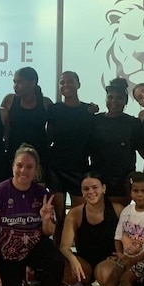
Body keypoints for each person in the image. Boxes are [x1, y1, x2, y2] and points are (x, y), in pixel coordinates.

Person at [0, 144, 66, 286]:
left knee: (56, 260)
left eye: (29, 167)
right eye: (19, 165)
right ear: (13, 166)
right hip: (7, 252)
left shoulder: (42, 194)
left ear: (36, 170)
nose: (23, 170)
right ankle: (20, 281)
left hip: (33, 245)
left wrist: (45, 219)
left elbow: (49, 233)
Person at [59, 172, 123, 286]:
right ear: (81, 192)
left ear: (104, 188)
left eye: (95, 187)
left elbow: (128, 238)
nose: (91, 192)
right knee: (63, 264)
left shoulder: (118, 210)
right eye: (86, 189)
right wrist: (73, 259)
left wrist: (121, 254)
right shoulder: (75, 213)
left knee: (106, 273)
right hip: (85, 263)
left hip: (107, 261)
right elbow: (64, 246)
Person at [47, 71, 95, 242]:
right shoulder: (54, 109)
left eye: (70, 81)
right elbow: (48, 136)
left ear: (78, 84)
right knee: (59, 215)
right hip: (56, 167)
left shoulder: (88, 110)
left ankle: (75, 253)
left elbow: (91, 141)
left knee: (77, 215)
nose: (66, 85)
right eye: (62, 82)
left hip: (79, 166)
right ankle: (58, 254)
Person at [89, 77, 141, 200]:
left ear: (125, 101)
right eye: (110, 97)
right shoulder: (95, 121)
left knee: (121, 217)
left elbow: (142, 149)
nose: (114, 101)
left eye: (119, 98)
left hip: (123, 181)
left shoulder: (133, 123)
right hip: (98, 178)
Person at [1, 67, 52, 173]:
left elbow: (52, 132)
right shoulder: (9, 100)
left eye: (19, 82)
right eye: (14, 82)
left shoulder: (46, 103)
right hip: (14, 155)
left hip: (39, 156)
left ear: (33, 83)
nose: (15, 86)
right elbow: (3, 128)